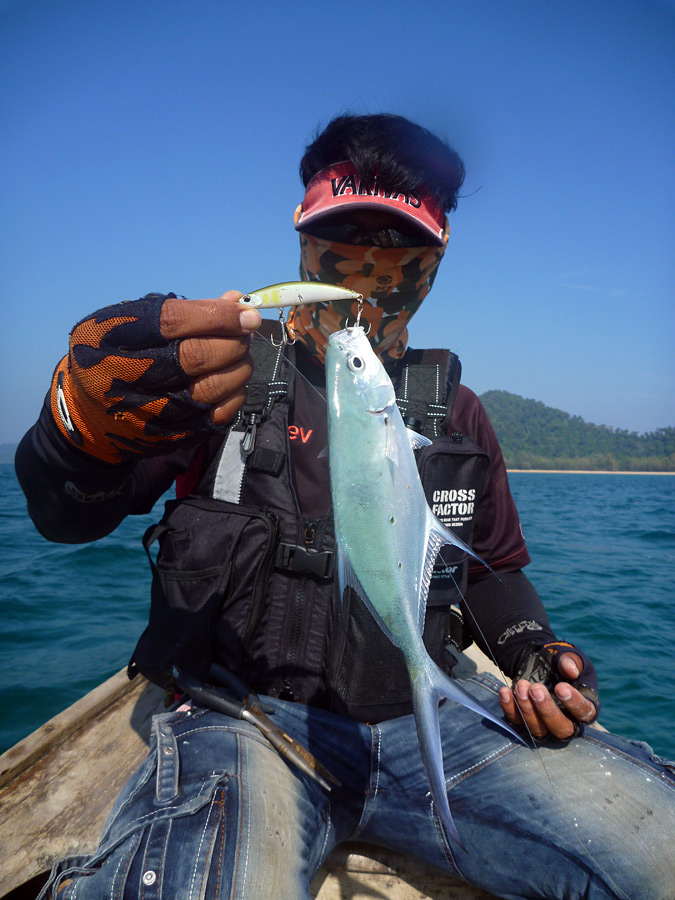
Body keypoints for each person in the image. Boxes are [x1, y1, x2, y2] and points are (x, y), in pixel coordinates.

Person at [16, 114, 674, 900]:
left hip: (431, 710)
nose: (366, 266)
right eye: (344, 233)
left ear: (431, 263)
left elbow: (492, 570)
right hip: (242, 718)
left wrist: (532, 650)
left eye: (393, 243)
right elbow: (69, 516)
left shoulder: (456, 413)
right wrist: (73, 437)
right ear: (302, 241)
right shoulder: (222, 380)